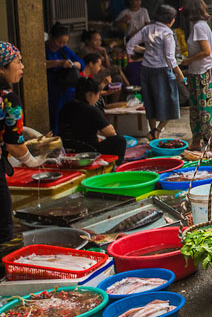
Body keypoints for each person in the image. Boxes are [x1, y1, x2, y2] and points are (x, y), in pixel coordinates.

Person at [0, 42, 48, 242]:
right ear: (2, 68)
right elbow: (13, 144)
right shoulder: (9, 99)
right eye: (18, 62)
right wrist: (34, 161)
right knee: (3, 227)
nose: (22, 67)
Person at [126, 5, 185, 141]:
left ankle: (152, 132)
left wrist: (139, 54)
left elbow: (130, 45)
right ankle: (157, 130)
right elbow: (170, 57)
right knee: (171, 103)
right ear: (171, 20)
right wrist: (179, 73)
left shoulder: (147, 29)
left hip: (146, 70)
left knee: (150, 101)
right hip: (162, 71)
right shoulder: (167, 33)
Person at [179, 0, 212, 151]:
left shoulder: (199, 27)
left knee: (205, 110)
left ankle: (211, 143)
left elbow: (206, 52)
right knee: (195, 109)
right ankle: (196, 141)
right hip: (197, 73)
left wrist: (188, 61)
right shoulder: (198, 26)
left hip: (204, 73)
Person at [59, 78, 126, 161]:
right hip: (88, 150)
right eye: (98, 95)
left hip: (67, 147)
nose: (98, 98)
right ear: (90, 94)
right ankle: (115, 167)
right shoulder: (91, 110)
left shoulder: (65, 107)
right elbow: (110, 132)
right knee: (120, 140)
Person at [45, 23, 85, 134]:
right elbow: (39, 65)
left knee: (70, 117)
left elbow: (81, 63)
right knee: (55, 118)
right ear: (51, 37)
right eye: (59, 42)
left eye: (64, 42)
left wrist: (76, 64)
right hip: (53, 91)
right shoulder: (43, 49)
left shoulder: (64, 50)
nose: (62, 45)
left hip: (68, 90)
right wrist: (59, 63)